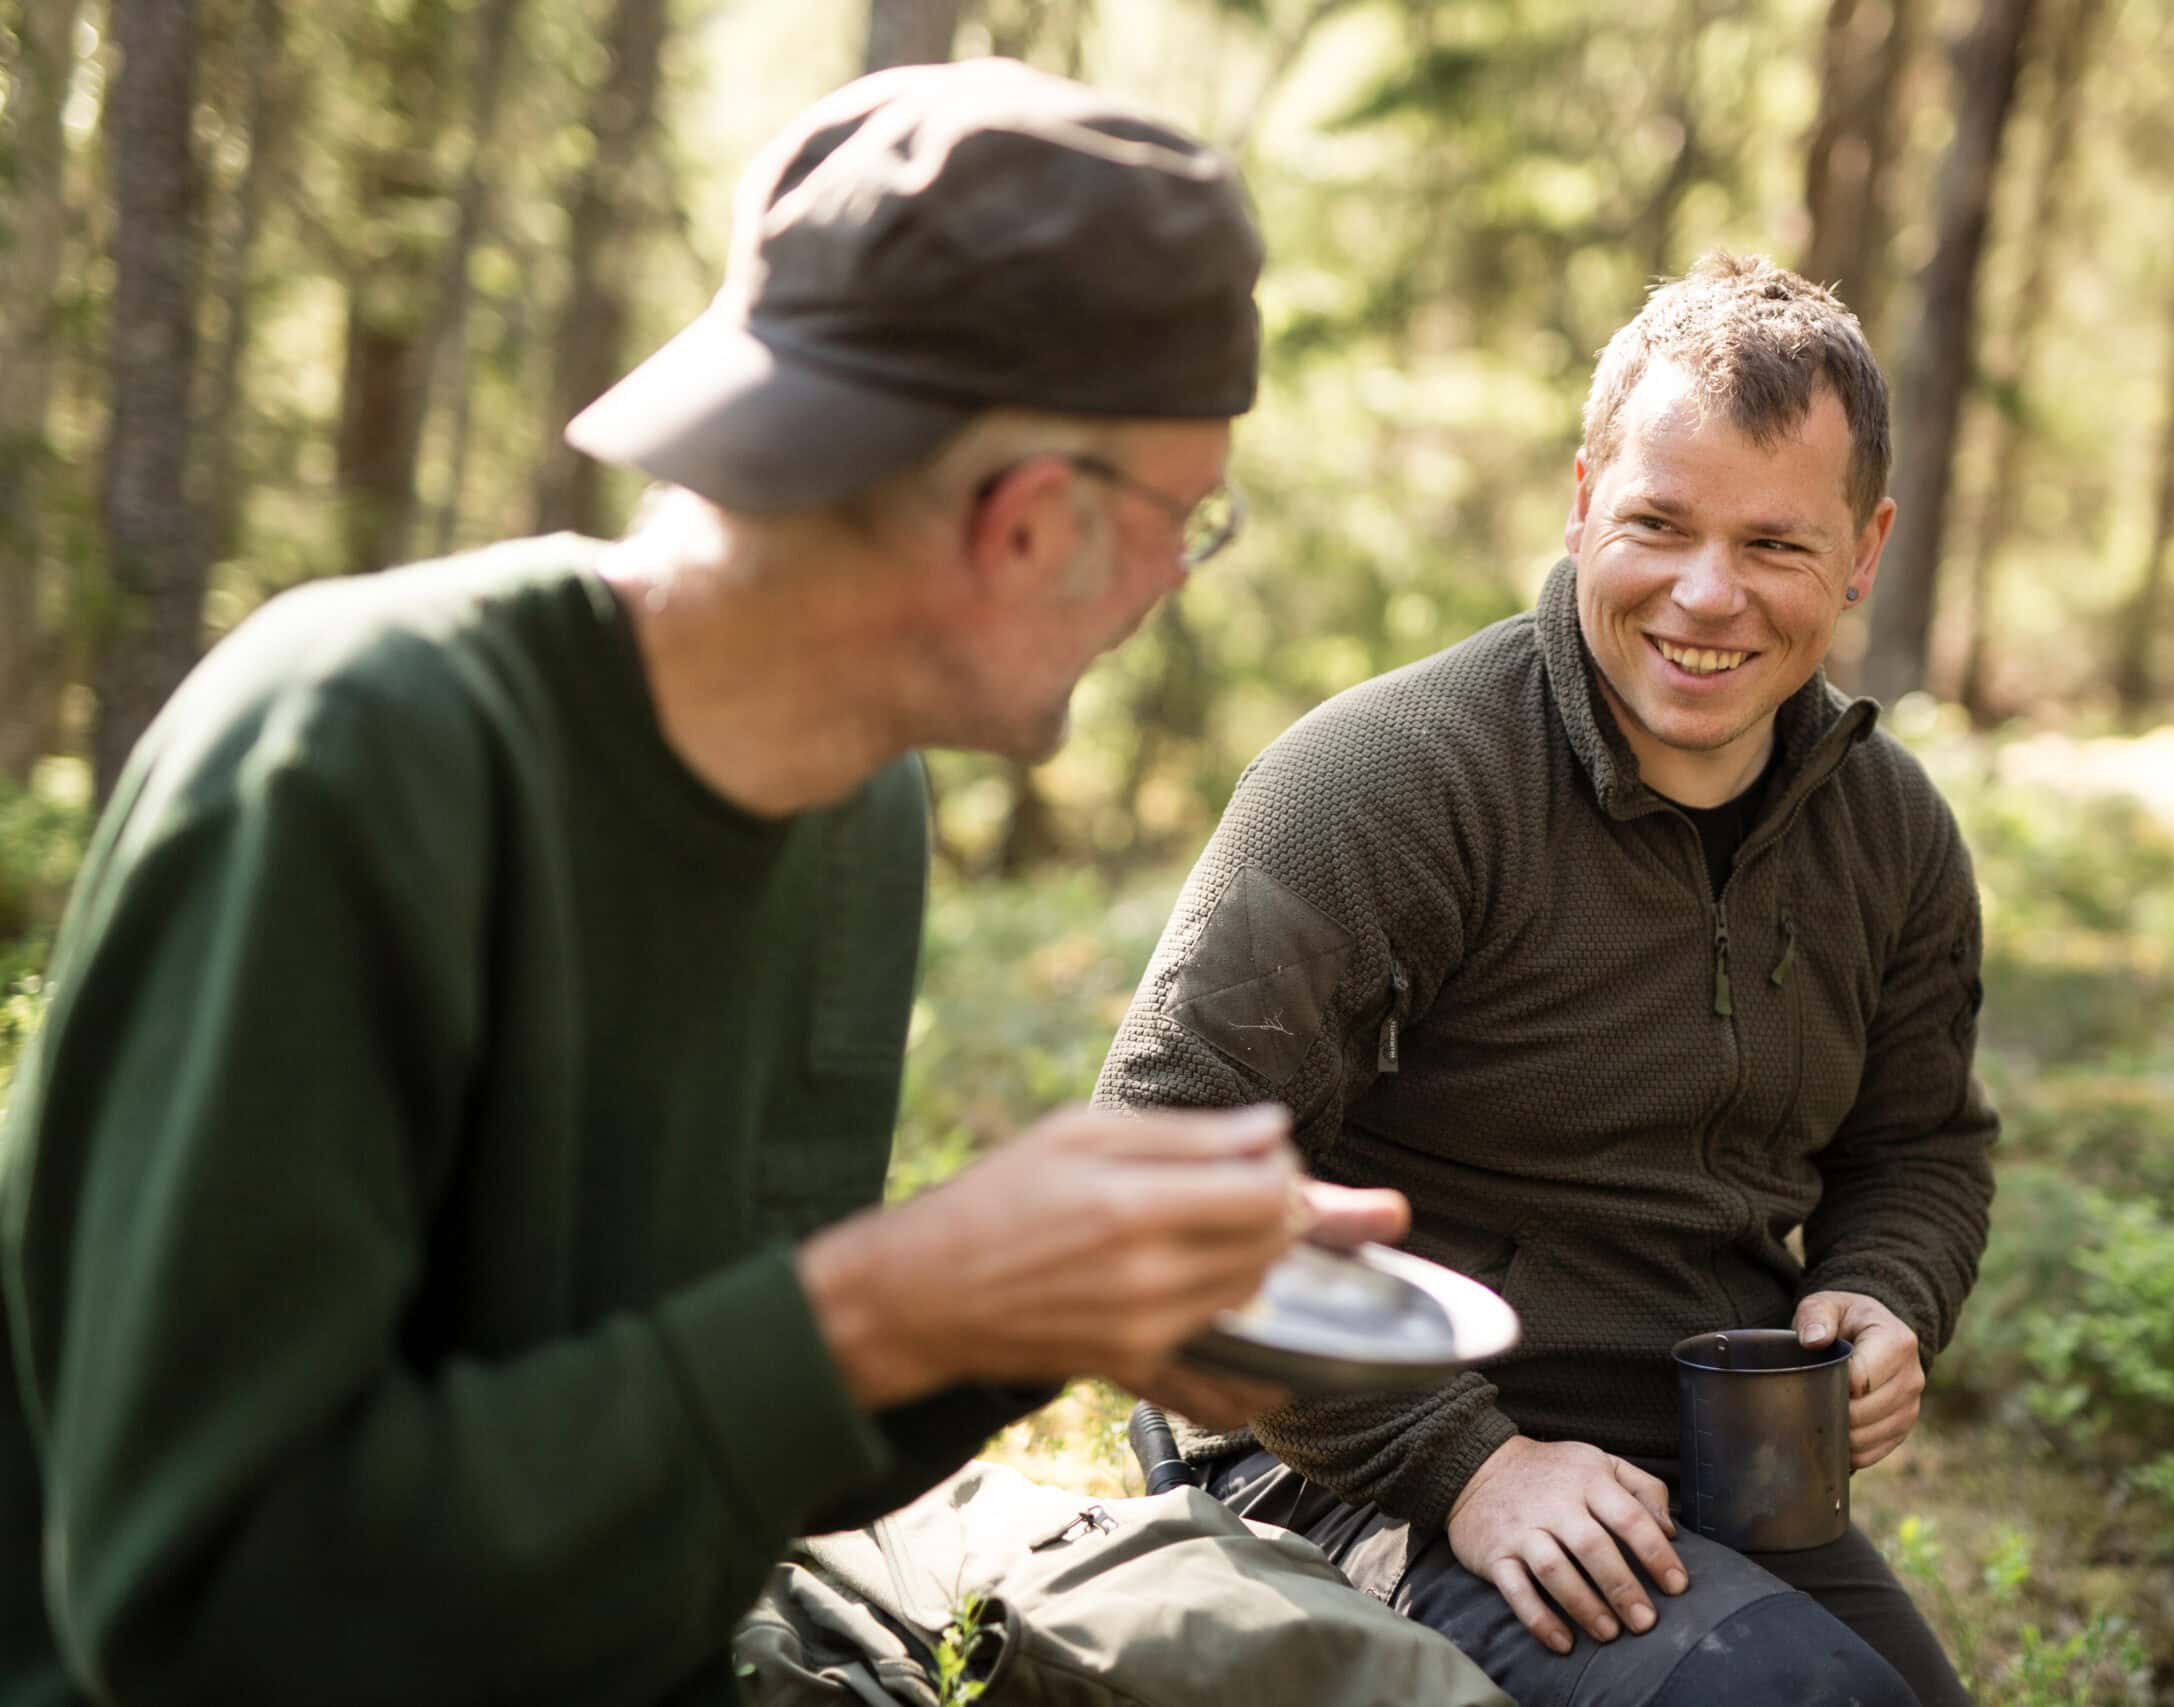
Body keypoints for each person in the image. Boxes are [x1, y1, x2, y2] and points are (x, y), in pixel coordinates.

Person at [0, 60, 1418, 1707]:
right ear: (1032, 523)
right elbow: (208, 1601)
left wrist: (1036, 1312)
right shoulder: (353, 751)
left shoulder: (856, 806)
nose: (1178, 575)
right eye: (1190, 518)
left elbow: (724, 1444)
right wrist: (886, 1305)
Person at [1095, 252, 1996, 1707]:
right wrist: (1469, 1463)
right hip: (1340, 1454)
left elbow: (1922, 1147)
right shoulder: (1381, 784)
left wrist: (1886, 1290)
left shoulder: (1891, 831)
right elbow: (1150, 1174)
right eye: (1658, 524)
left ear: (1865, 550)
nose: (1707, 594)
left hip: (1709, 1459)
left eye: (1775, 544)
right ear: (1583, 504)